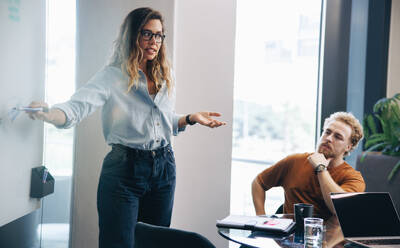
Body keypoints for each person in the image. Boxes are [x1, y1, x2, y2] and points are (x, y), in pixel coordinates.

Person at [26, 7, 225, 248]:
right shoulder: (111, 77)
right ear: (132, 35)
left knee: (155, 242)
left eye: (159, 35)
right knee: (118, 244)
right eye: (147, 34)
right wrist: (50, 114)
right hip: (124, 172)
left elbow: (160, 122)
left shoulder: (165, 74)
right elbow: (75, 108)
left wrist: (190, 118)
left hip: (164, 169)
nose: (154, 42)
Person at [251, 112, 365, 220]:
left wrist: (321, 169)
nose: (329, 138)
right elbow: (259, 183)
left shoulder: (354, 178)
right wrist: (261, 218)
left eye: (338, 137)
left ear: (348, 147)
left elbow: (340, 209)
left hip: (327, 239)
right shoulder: (295, 161)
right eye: (327, 132)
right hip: (288, 236)